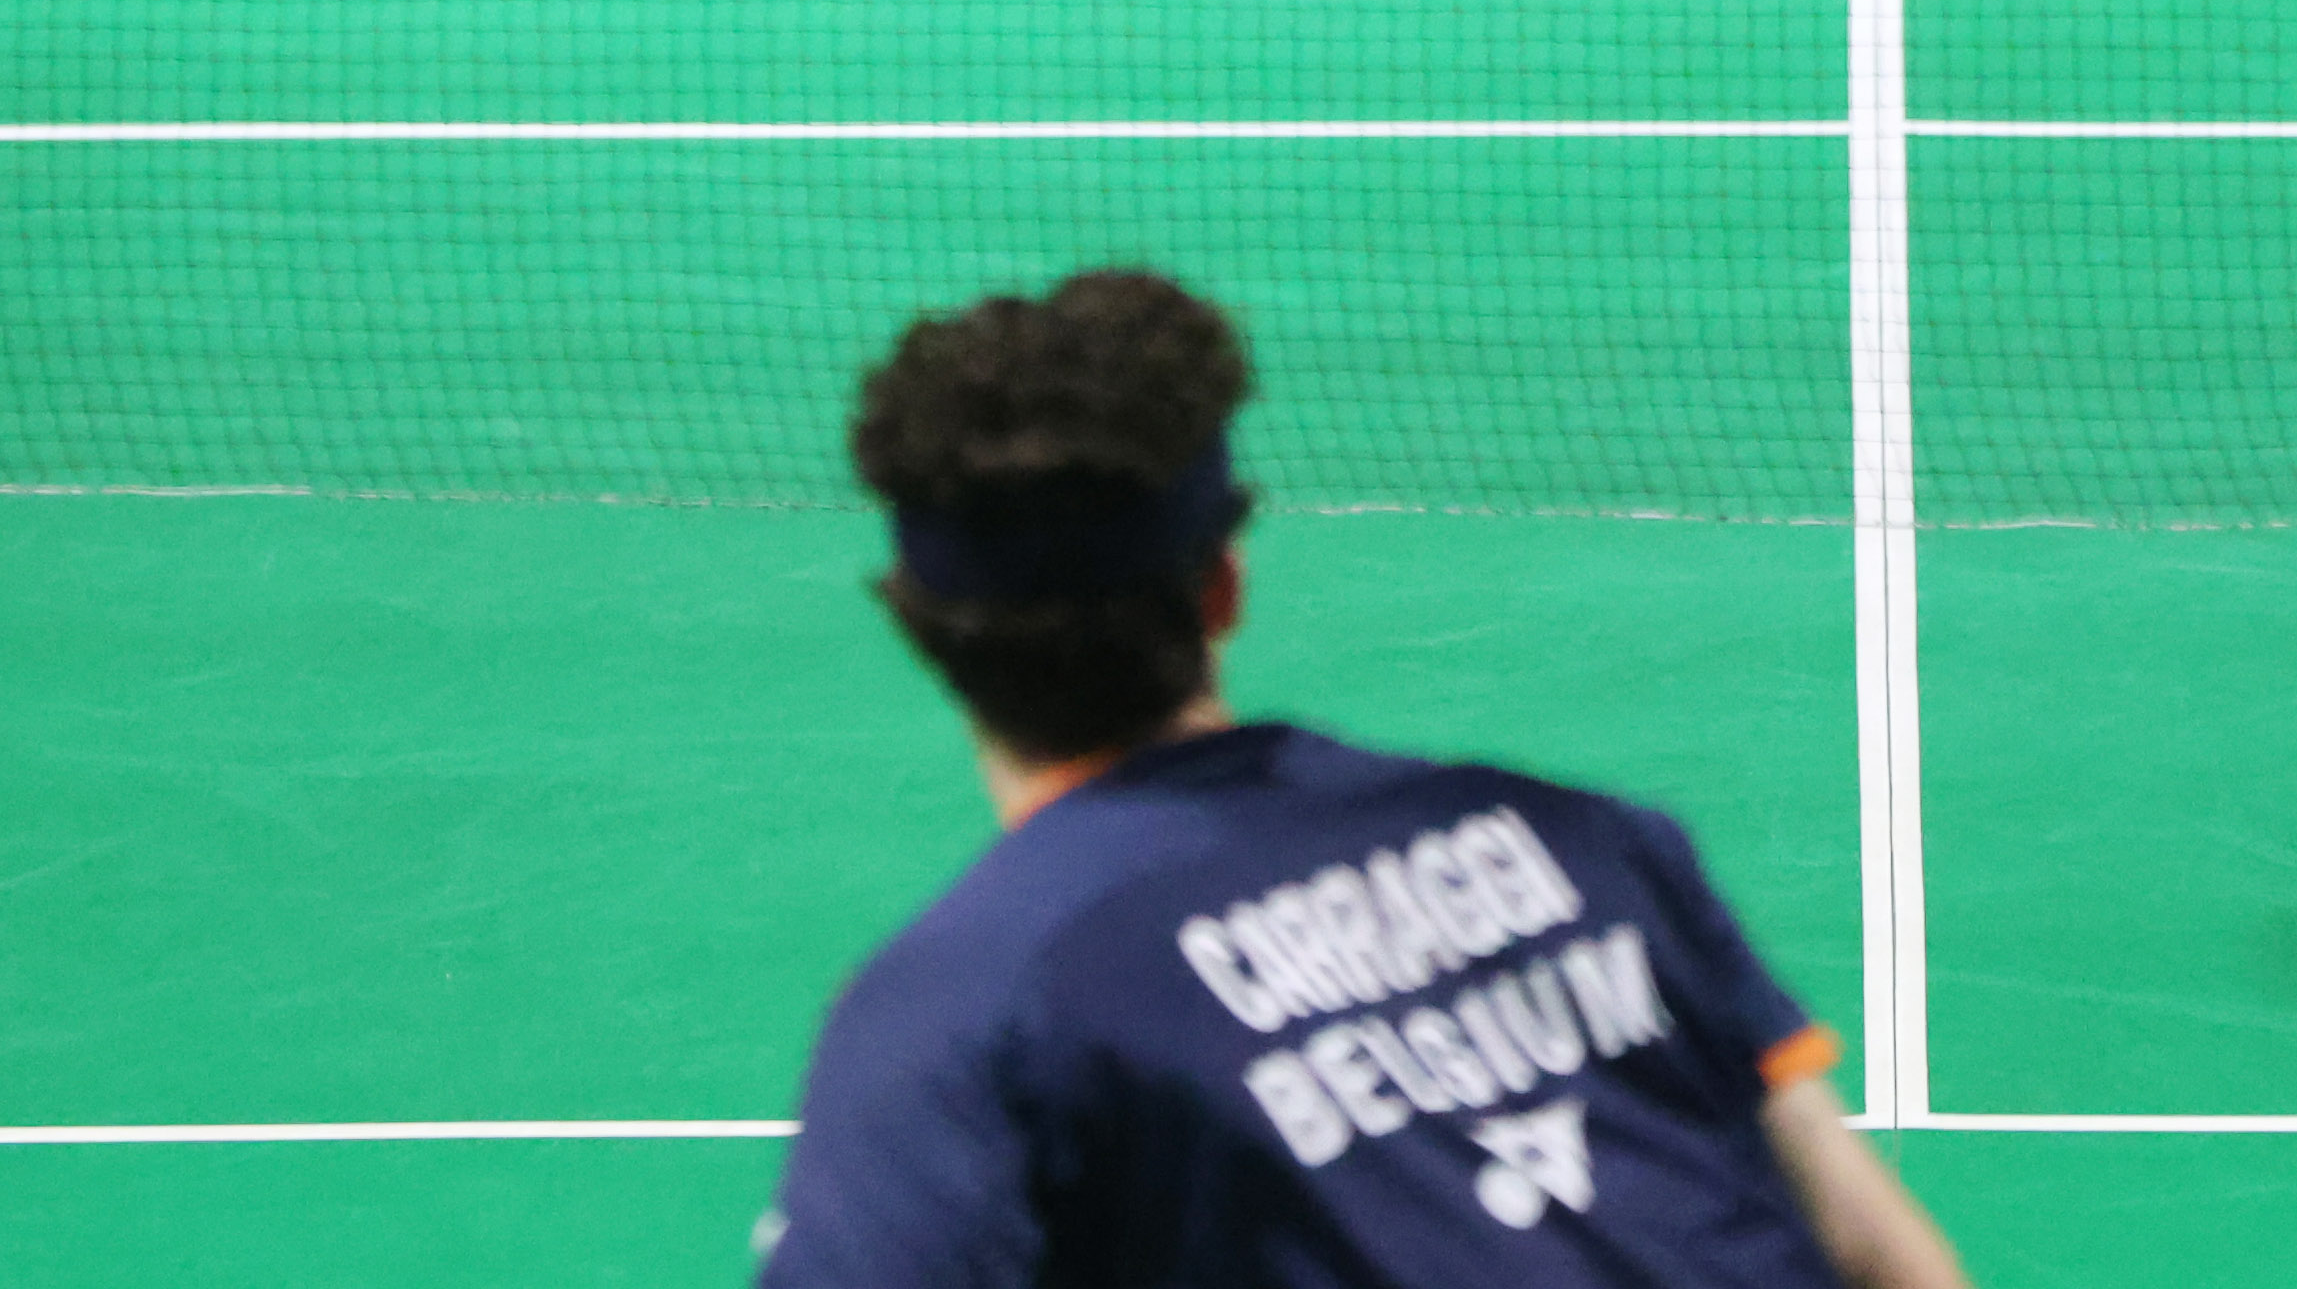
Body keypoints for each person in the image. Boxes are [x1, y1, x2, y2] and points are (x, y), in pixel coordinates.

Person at [757, 270, 1970, 1286]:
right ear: (1222, 585)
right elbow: (1873, 1248)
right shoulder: (1586, 846)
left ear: (917, 626)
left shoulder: (958, 1017)